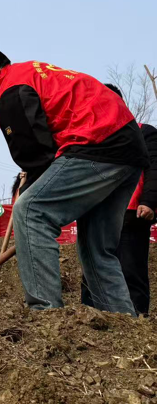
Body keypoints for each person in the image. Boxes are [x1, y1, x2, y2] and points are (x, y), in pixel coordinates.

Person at [0, 45, 147, 315]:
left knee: (30, 211)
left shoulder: (11, 90)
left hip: (96, 141)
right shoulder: (34, 73)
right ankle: (119, 322)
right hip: (127, 145)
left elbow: (36, 153)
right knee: (96, 248)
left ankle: (46, 314)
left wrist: (31, 191)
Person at [80, 84, 157, 315]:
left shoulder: (144, 132)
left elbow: (154, 169)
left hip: (132, 213)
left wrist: (150, 201)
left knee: (131, 271)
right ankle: (89, 319)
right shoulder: (90, 138)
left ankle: (137, 321)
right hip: (95, 213)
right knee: (91, 270)